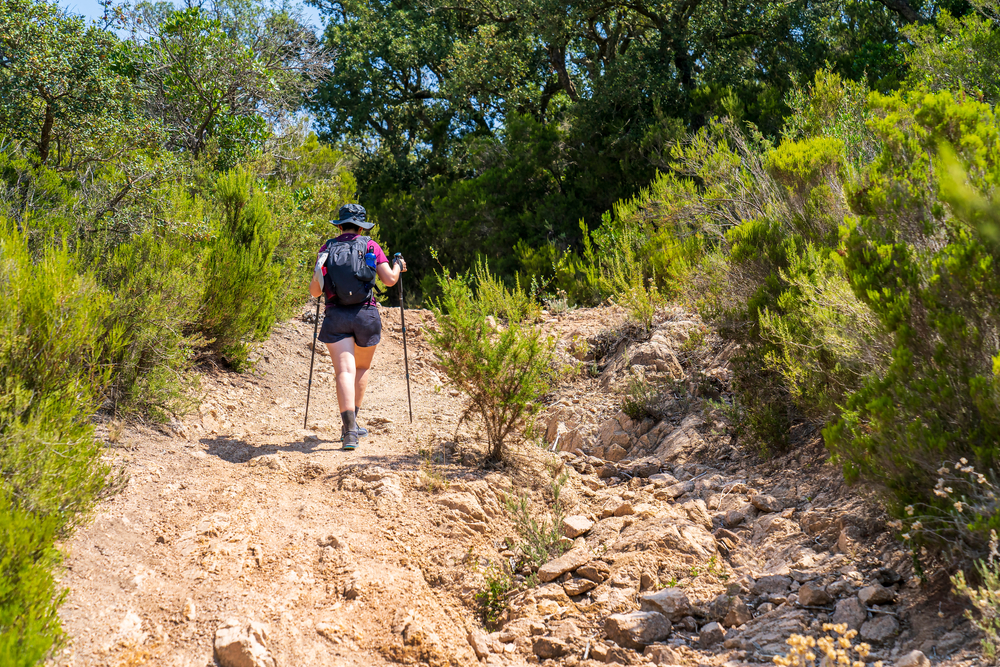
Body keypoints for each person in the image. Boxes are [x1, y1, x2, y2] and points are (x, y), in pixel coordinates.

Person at [309, 204, 406, 450]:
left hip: (336, 315)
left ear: (339, 225)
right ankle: (353, 423)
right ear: (362, 227)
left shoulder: (327, 248)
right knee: (361, 368)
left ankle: (349, 431)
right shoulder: (371, 246)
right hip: (365, 315)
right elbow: (390, 280)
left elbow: (314, 291)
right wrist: (398, 265)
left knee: (344, 371)